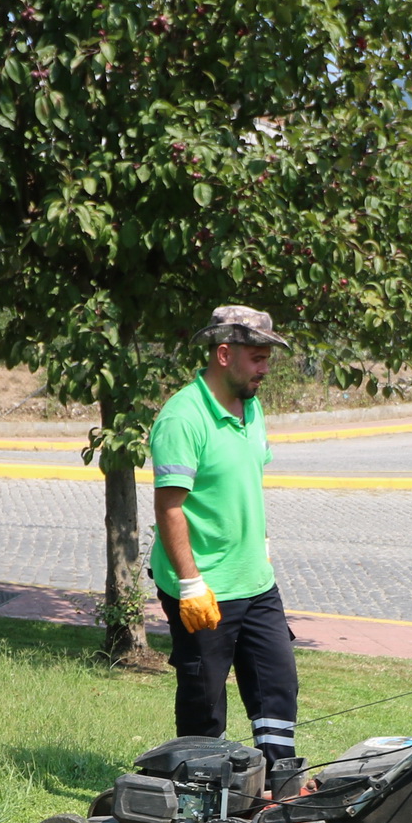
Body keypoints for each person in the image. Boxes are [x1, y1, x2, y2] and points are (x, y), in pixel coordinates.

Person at [148, 306, 298, 769]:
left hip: (256, 582)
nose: (265, 369)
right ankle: (197, 793)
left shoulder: (251, 408)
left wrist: (263, 549)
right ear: (224, 354)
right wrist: (191, 584)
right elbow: (170, 506)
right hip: (205, 589)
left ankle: (275, 783)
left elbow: (244, 485)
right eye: (257, 357)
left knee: (277, 684)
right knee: (204, 699)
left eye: (267, 358)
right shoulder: (183, 418)